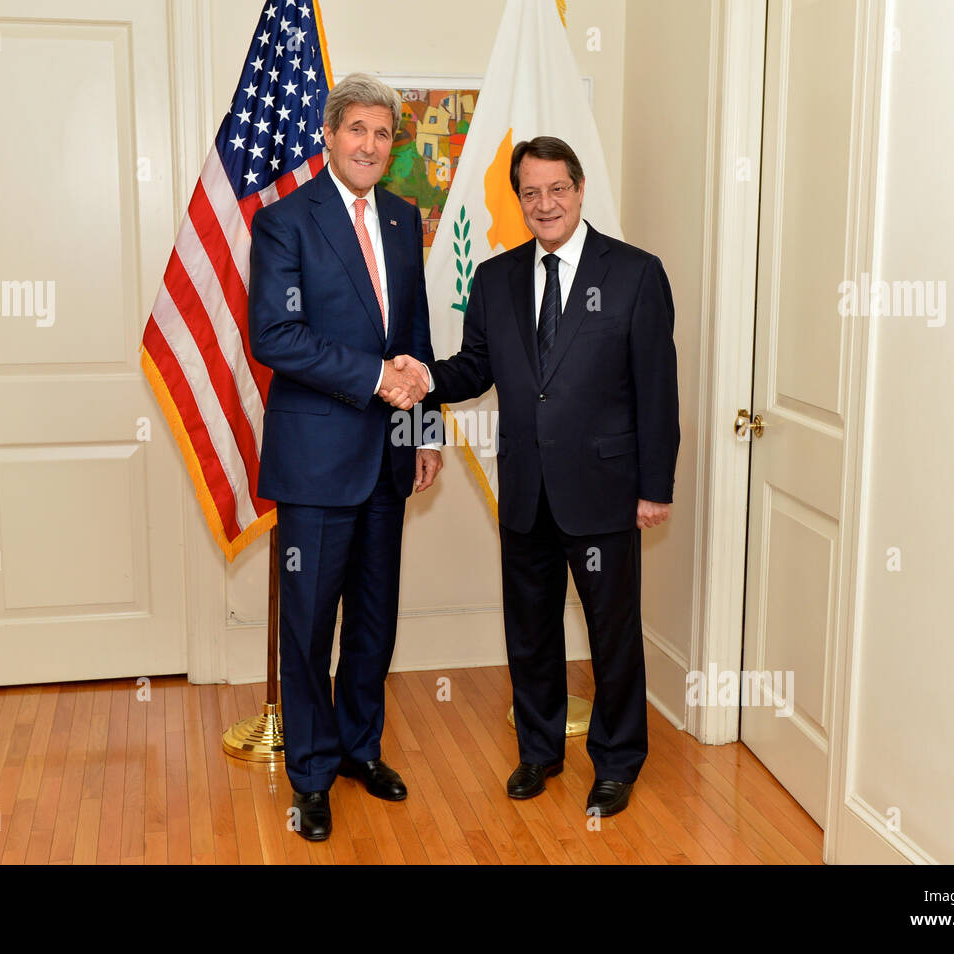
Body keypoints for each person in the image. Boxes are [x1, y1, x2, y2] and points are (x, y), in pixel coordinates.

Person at [391, 136, 679, 817]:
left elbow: (657, 391)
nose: (544, 203)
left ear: (580, 190)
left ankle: (616, 761)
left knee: (612, 632)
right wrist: (425, 375)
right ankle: (540, 752)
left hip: (604, 491)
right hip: (525, 490)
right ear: (518, 199)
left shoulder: (636, 274)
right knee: (531, 631)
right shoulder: (494, 278)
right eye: (531, 192)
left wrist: (654, 486)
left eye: (557, 189)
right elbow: (476, 367)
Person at [248, 73, 441, 842]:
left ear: (394, 147)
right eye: (356, 129)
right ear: (329, 135)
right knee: (308, 625)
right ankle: (313, 773)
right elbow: (276, 337)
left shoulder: (401, 218)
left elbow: (416, 333)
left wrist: (423, 428)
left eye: (382, 133)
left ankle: (362, 748)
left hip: (389, 459)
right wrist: (373, 378)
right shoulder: (286, 222)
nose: (369, 144)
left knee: (373, 619)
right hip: (316, 461)